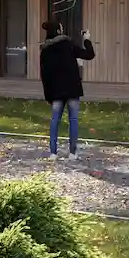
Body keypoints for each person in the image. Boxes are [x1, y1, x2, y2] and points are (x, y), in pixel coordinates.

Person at [38, 20, 95, 158]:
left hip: (56, 91)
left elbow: (44, 76)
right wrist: (86, 39)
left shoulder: (45, 50)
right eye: (61, 28)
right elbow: (89, 54)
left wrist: (48, 96)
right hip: (72, 89)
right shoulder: (68, 45)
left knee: (54, 120)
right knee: (73, 120)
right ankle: (72, 152)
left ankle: (53, 152)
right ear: (58, 31)